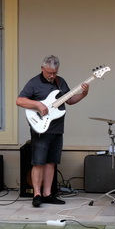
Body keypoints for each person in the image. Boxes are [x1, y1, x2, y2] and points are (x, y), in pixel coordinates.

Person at [17, 55, 89, 207]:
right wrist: (38, 104)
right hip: (40, 129)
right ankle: (37, 195)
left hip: (57, 128)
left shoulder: (60, 82)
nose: (51, 76)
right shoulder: (33, 83)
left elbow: (70, 100)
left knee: (51, 162)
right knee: (38, 162)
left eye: (54, 73)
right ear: (42, 68)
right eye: (49, 72)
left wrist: (83, 94)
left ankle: (47, 194)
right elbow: (20, 100)